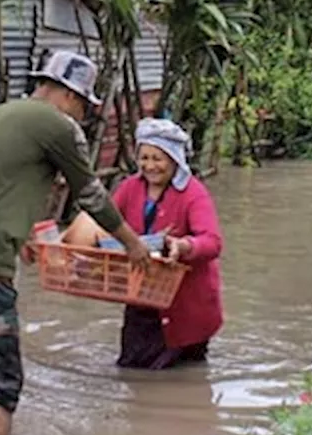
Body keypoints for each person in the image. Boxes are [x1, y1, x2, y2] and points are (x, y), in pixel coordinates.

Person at [0, 49, 151, 435]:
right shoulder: (58, 126)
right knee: (1, 383)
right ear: (70, 96)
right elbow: (91, 195)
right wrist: (133, 245)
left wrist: (26, 234)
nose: (82, 116)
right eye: (83, 107)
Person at [64, 118, 225, 370]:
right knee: (136, 369)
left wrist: (183, 247)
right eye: (144, 158)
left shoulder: (194, 193)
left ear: (174, 160)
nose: (150, 166)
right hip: (141, 295)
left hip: (186, 305)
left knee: (170, 376)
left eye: (158, 158)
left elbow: (212, 242)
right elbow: (103, 221)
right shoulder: (130, 188)